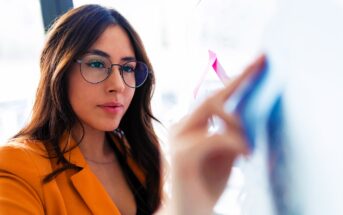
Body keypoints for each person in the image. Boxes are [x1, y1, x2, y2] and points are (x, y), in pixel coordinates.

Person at [0, 4, 265, 215]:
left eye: (127, 68)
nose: (118, 85)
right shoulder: (16, 165)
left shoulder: (139, 158)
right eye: (96, 64)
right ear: (59, 71)